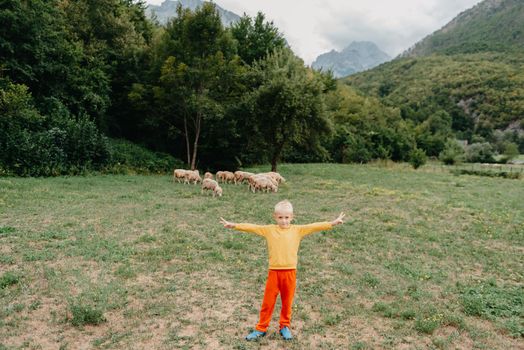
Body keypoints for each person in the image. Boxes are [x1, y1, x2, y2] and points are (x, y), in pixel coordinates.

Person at [220, 200, 345, 341]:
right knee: (268, 302)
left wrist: (332, 223)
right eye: (280, 217)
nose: (284, 221)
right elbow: (253, 227)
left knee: (287, 301)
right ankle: (261, 328)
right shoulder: (269, 230)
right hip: (274, 272)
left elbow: (314, 226)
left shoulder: (298, 230)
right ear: (275, 217)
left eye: (287, 217)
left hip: (290, 273)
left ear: (292, 217)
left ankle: (284, 326)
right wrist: (234, 225)